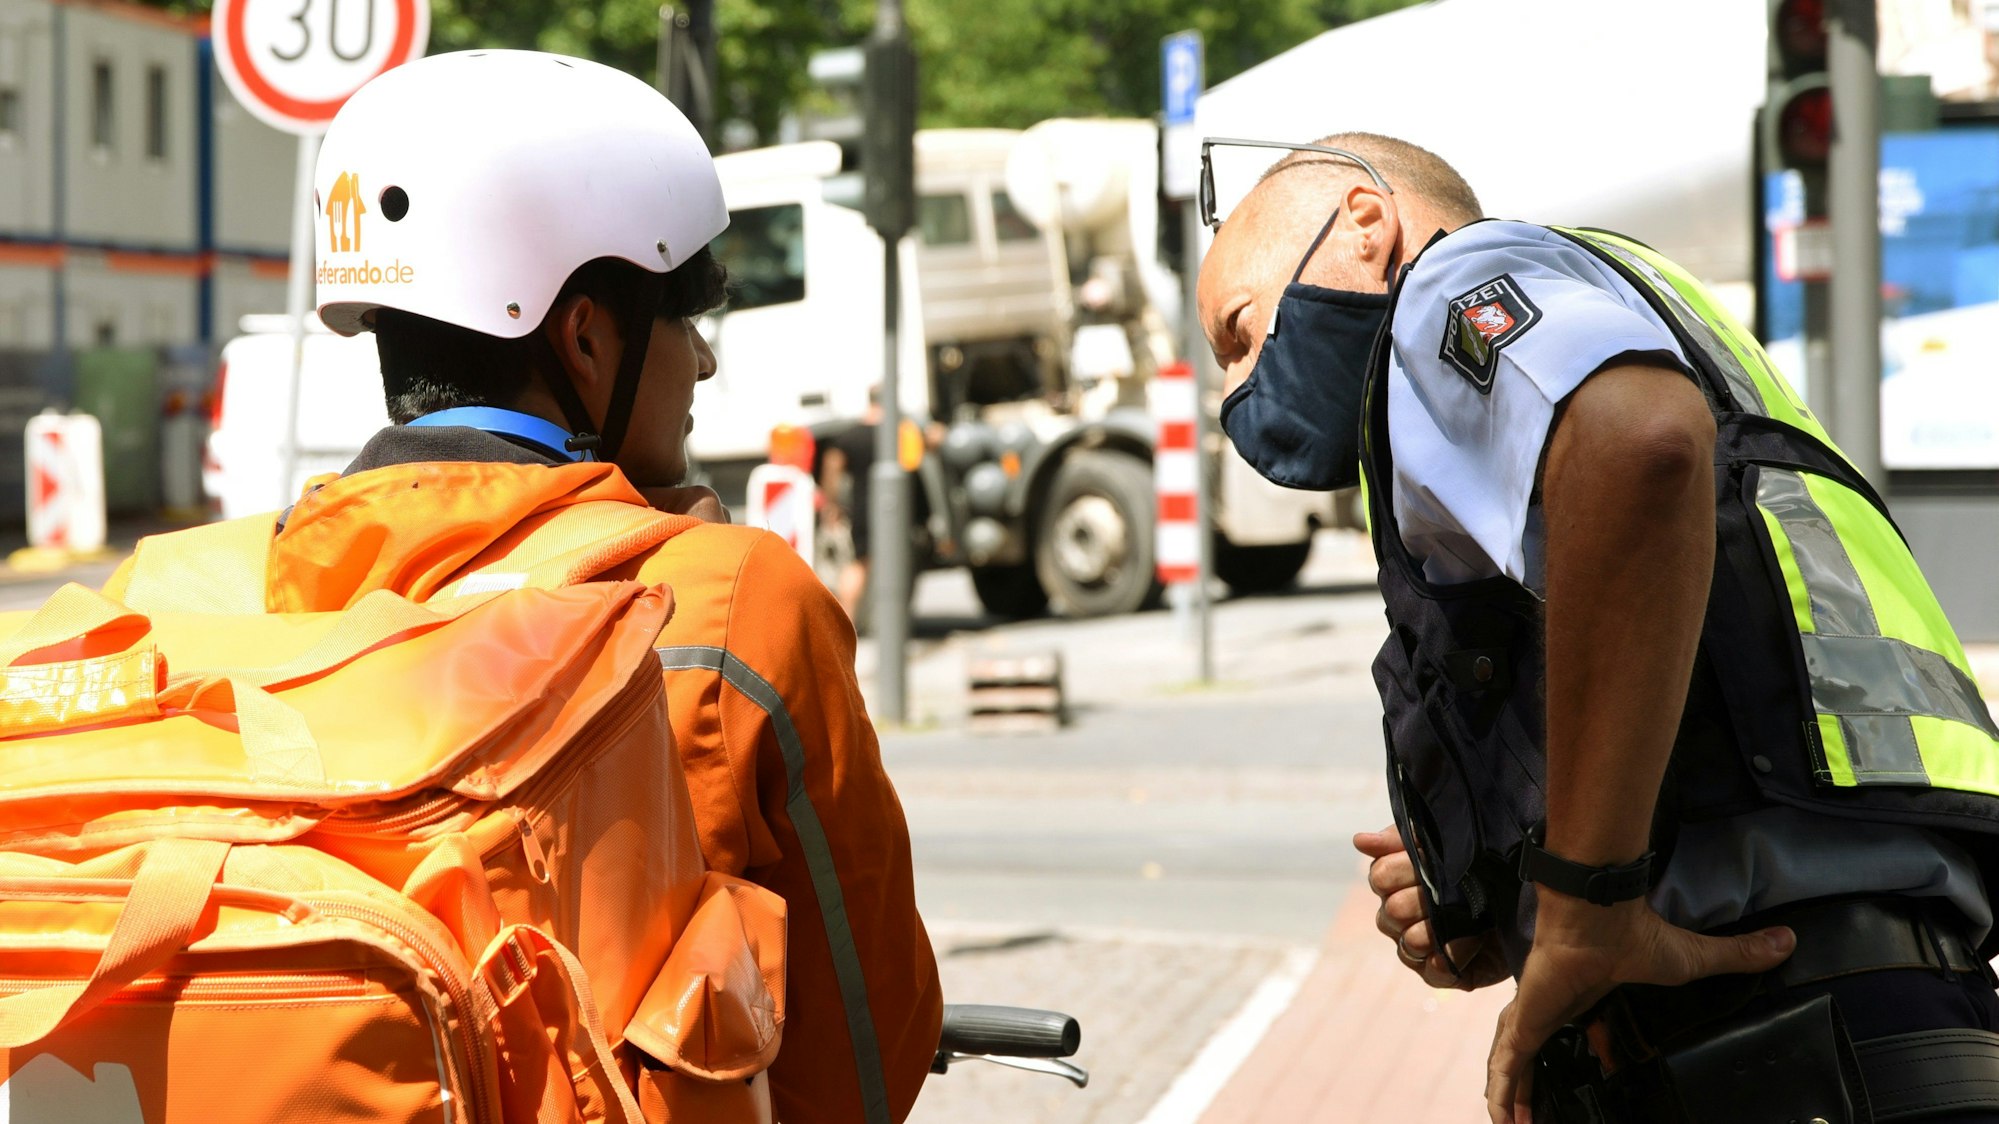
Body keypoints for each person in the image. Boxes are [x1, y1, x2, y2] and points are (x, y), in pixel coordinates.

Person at [181, 51, 939, 1124]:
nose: (705, 363)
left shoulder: (222, 598)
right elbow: (871, 1055)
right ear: (585, 335)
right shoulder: (727, 605)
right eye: (685, 312)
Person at [1197, 132, 1999, 1123]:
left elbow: (1641, 441)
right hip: (1885, 1009)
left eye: (1238, 331)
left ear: (1365, 222)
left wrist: (1581, 902)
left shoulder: (1459, 278)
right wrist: (1499, 878)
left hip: (1768, 1050)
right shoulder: (1634, 299)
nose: (1233, 390)